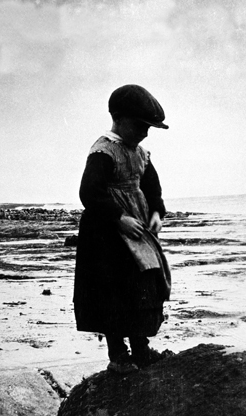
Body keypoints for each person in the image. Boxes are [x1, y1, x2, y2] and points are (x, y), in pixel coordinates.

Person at [73, 84, 171, 374]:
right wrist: (118, 218)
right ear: (118, 118)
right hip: (106, 234)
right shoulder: (103, 151)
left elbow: (152, 187)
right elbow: (89, 193)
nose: (145, 132)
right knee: (112, 291)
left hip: (138, 230)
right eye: (140, 126)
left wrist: (156, 212)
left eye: (148, 128)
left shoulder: (141, 154)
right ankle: (118, 356)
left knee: (141, 287)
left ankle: (141, 349)